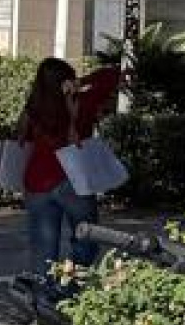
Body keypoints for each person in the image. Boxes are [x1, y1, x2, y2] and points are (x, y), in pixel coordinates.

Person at [11, 53, 124, 288]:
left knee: (43, 249)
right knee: (87, 239)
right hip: (73, 180)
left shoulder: (33, 109)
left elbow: (21, 140)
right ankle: (68, 287)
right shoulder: (82, 102)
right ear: (67, 80)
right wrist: (82, 82)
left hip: (37, 182)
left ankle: (43, 297)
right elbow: (112, 75)